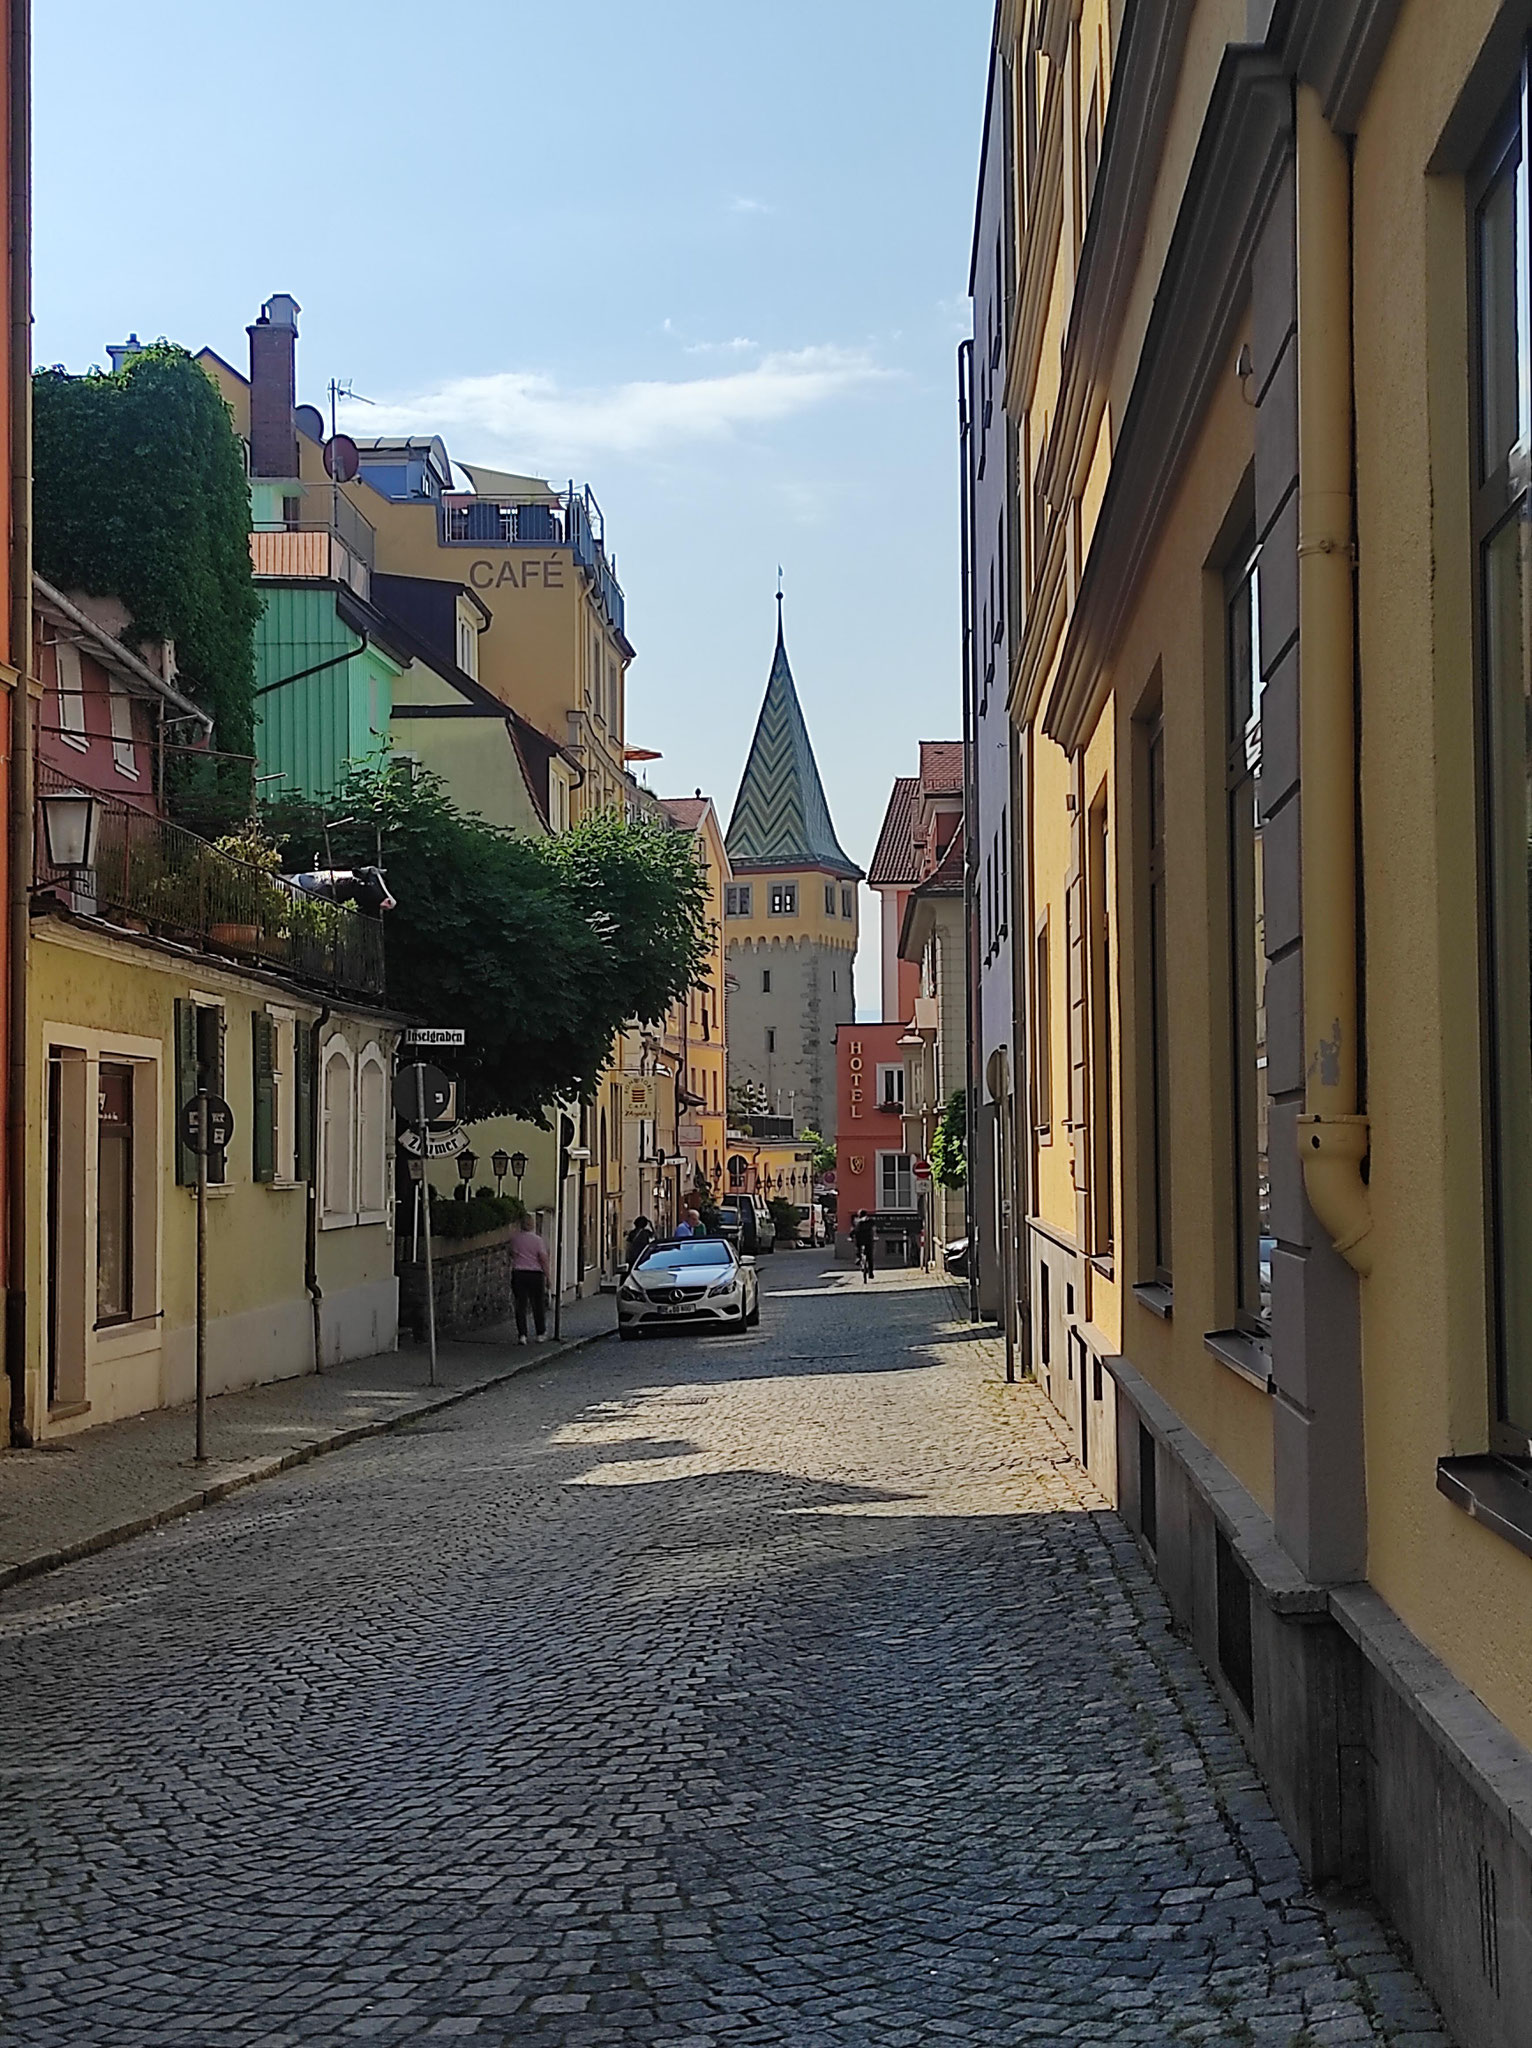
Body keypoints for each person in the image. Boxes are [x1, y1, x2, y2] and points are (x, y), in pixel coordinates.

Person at [507, 1215, 552, 1344]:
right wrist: (548, 1277)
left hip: (519, 1273)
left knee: (520, 1304)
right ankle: (540, 1333)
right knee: (538, 1304)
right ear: (532, 1225)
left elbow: (512, 1254)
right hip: (535, 1274)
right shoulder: (538, 1240)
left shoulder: (515, 1239)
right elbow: (543, 1259)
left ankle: (522, 1335)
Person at [852, 1209, 876, 1282]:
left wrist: (850, 1237)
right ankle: (871, 1272)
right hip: (869, 1241)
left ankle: (858, 1258)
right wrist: (875, 1237)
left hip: (860, 1241)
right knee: (870, 1256)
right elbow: (874, 1229)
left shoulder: (857, 1222)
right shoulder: (871, 1221)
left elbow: (853, 1231)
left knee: (858, 1250)